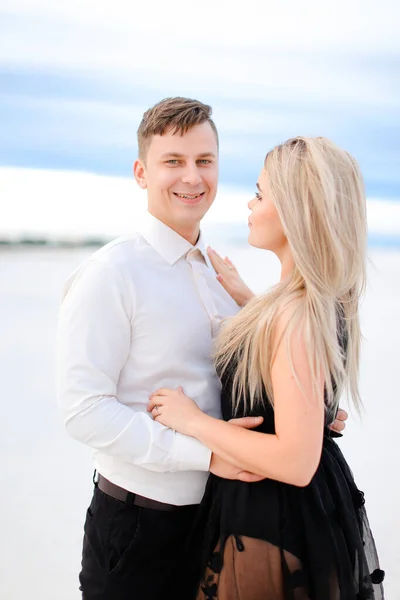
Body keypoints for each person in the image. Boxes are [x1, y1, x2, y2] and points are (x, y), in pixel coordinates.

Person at [57, 99, 347, 600]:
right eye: (173, 161)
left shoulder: (218, 278)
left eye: (204, 161)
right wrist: (203, 453)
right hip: (138, 527)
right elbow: (82, 411)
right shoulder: (111, 274)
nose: (191, 176)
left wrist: (302, 409)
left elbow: (255, 369)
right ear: (141, 172)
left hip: (222, 526)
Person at [147, 136, 385, 599]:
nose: (250, 204)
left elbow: (294, 463)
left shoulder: (295, 314)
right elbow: (286, 364)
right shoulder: (311, 302)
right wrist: (249, 302)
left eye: (260, 193)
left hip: (276, 518)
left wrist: (193, 423)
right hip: (298, 511)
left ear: (296, 209)